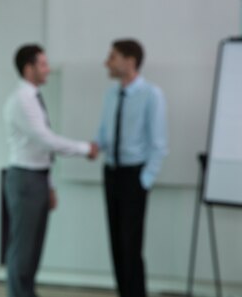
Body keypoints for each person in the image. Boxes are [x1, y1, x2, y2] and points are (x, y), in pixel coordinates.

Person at [3, 44, 98, 297]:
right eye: (43, 64)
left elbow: (42, 149)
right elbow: (46, 140)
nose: (48, 69)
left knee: (33, 250)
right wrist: (84, 148)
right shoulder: (23, 99)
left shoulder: (33, 96)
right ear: (28, 68)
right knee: (22, 250)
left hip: (38, 178)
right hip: (25, 179)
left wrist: (50, 185)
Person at [95, 39, 168, 297]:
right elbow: (104, 133)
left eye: (112, 56)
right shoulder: (111, 94)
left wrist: (144, 180)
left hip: (133, 176)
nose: (107, 62)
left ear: (130, 61)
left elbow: (159, 144)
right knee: (116, 243)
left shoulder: (151, 94)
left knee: (131, 245)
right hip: (112, 173)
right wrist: (93, 147)